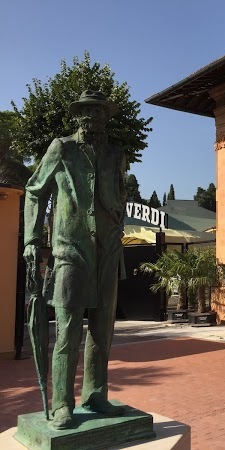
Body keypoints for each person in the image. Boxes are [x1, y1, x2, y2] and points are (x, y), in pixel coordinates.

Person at [23, 90, 126, 429]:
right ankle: (62, 404)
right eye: (87, 111)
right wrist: (32, 240)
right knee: (67, 330)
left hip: (108, 251)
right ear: (78, 116)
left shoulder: (115, 154)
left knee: (102, 329)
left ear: (105, 118)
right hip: (70, 250)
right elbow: (35, 192)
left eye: (99, 112)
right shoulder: (61, 148)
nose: (93, 117)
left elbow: (119, 198)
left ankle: (95, 394)